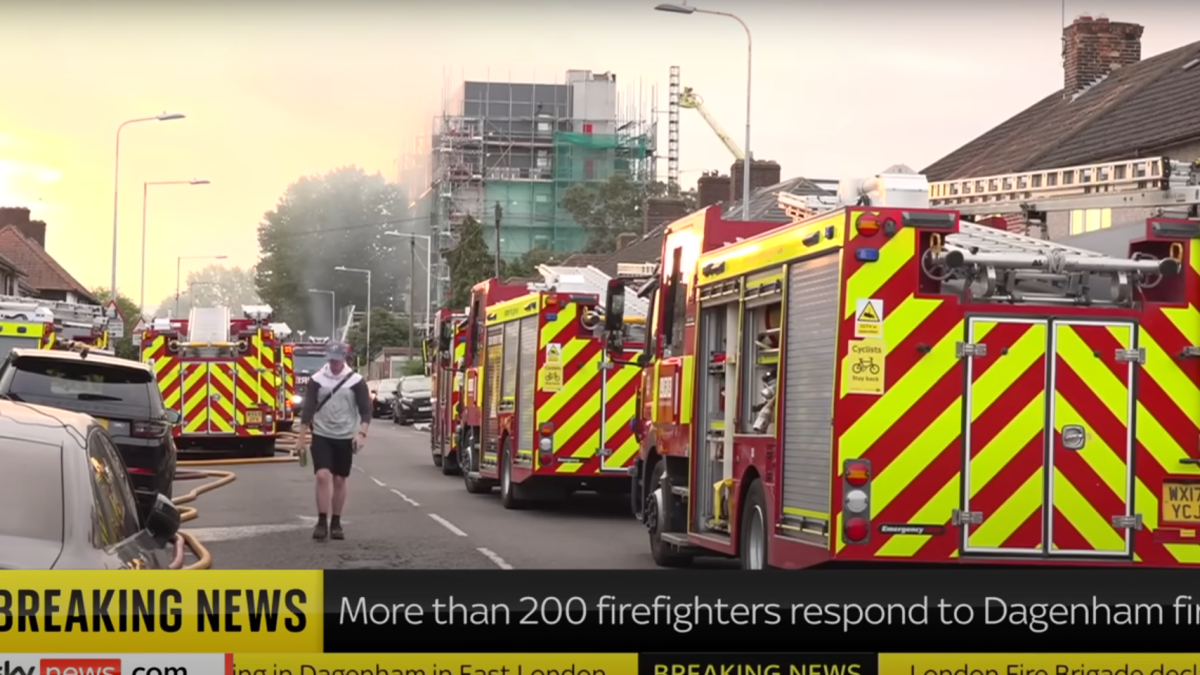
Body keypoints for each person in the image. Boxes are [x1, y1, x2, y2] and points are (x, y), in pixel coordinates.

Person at [296, 341, 372, 541]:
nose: (335, 363)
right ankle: (321, 521)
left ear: (345, 359)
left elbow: (365, 409)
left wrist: (362, 434)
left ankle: (336, 521)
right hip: (322, 434)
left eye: (338, 359)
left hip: (345, 436)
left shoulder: (355, 381)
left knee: (339, 479)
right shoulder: (317, 379)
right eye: (332, 359)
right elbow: (308, 409)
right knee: (322, 476)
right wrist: (302, 438)